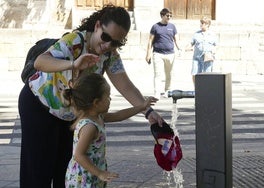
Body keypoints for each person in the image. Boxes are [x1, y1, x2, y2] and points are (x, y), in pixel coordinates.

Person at [18, 4, 163, 188]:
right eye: (106, 37)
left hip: (70, 116)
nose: (108, 45)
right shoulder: (75, 41)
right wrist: (73, 64)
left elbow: (125, 85)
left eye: (116, 42)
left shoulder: (109, 55)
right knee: (38, 173)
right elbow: (40, 62)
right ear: (97, 26)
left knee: (65, 173)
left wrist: (148, 111)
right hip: (39, 106)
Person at [64, 73, 157, 187]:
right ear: (96, 102)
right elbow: (79, 155)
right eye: (107, 96)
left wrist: (141, 107)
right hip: (83, 179)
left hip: (92, 174)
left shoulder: (98, 117)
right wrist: (100, 173)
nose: (110, 99)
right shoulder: (89, 127)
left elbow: (119, 115)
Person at [145, 8, 181, 99]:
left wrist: (180, 49)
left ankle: (167, 91)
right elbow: (150, 41)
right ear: (162, 16)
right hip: (158, 54)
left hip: (170, 54)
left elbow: (176, 39)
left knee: (169, 74)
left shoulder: (172, 27)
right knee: (158, 74)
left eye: (170, 16)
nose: (169, 17)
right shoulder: (155, 26)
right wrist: (148, 54)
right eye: (167, 15)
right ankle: (157, 92)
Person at [188, 16, 217, 85]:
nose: (201, 25)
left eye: (202, 23)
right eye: (201, 23)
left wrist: (214, 52)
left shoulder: (212, 35)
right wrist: (188, 47)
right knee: (194, 74)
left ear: (207, 24)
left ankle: (206, 89)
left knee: (208, 75)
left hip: (207, 58)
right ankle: (196, 89)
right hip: (197, 58)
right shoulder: (196, 34)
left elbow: (216, 45)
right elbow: (191, 43)